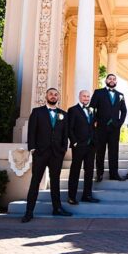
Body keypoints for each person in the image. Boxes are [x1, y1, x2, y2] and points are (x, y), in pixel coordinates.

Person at [21, 87, 71, 221]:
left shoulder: (64, 114)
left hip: (56, 154)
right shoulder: (37, 112)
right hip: (40, 153)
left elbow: (65, 134)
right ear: (46, 96)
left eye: (56, 95)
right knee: (35, 181)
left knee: (55, 182)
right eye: (51, 94)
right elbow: (32, 132)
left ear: (58, 97)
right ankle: (29, 212)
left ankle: (57, 208)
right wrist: (32, 149)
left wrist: (63, 149)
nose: (53, 96)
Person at [90, 73, 127, 181]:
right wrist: (95, 121)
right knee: (100, 151)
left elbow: (124, 110)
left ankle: (114, 174)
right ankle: (99, 174)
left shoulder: (120, 95)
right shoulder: (98, 92)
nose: (112, 80)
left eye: (114, 79)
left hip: (115, 128)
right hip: (101, 127)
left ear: (116, 82)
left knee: (114, 151)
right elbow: (92, 108)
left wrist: (120, 123)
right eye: (110, 78)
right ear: (106, 80)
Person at [66, 90, 100, 205]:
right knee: (75, 171)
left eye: (88, 96)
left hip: (91, 146)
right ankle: (71, 196)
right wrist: (74, 142)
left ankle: (87, 195)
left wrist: (95, 141)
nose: (86, 98)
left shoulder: (92, 110)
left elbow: (94, 127)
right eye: (84, 96)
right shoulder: (73, 110)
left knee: (89, 171)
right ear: (79, 97)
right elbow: (69, 129)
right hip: (79, 146)